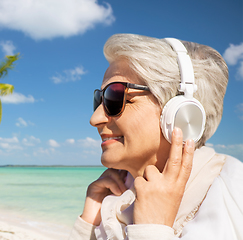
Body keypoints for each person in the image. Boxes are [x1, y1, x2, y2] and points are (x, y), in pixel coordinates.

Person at [69, 34, 243, 240]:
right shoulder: (118, 194)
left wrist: (152, 230)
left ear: (180, 112)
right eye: (100, 99)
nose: (95, 118)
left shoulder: (229, 193)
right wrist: (88, 225)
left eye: (114, 97)